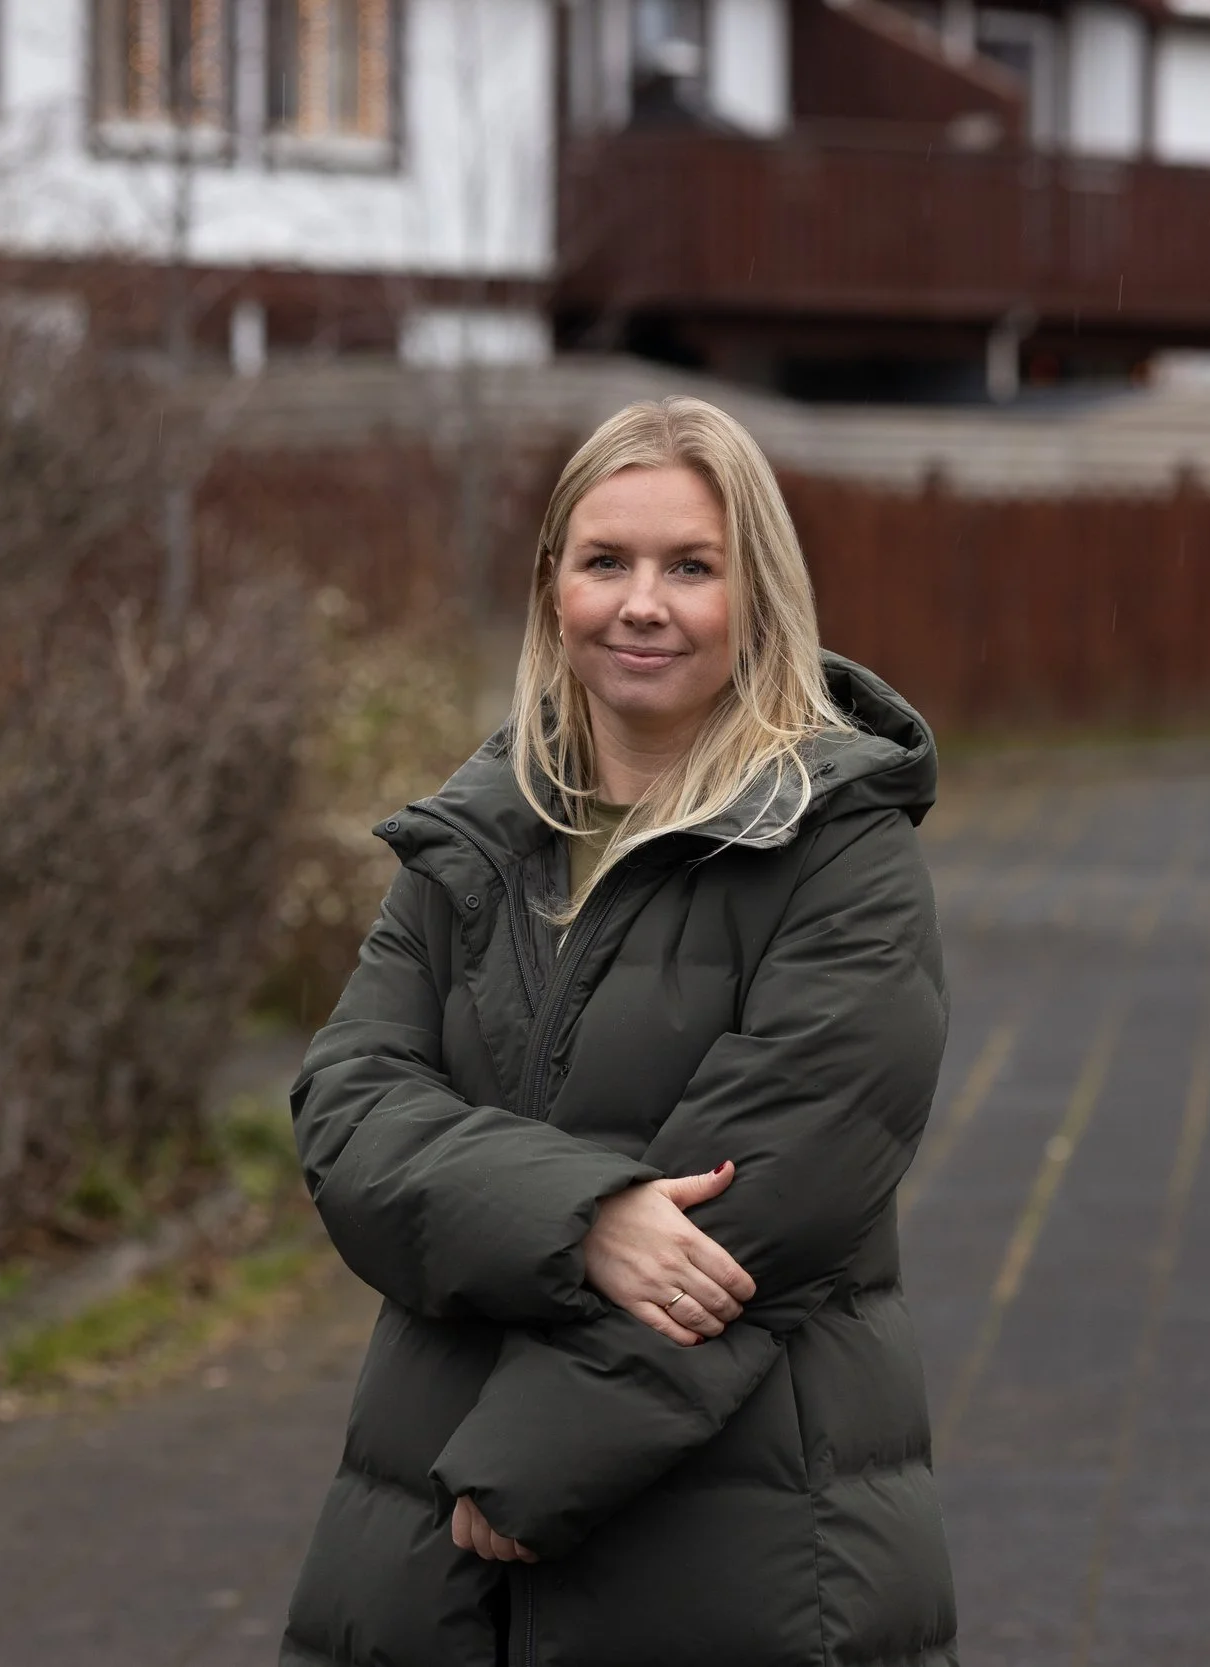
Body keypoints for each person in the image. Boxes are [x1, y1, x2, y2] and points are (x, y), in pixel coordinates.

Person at [280, 396, 957, 1667]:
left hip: (735, 1542)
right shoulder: (469, 837)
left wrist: (532, 1460)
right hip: (423, 1530)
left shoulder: (842, 853)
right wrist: (584, 1216)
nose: (642, 602)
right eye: (607, 562)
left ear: (756, 594)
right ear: (553, 589)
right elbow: (346, 1111)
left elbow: (760, 1210)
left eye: (690, 566)